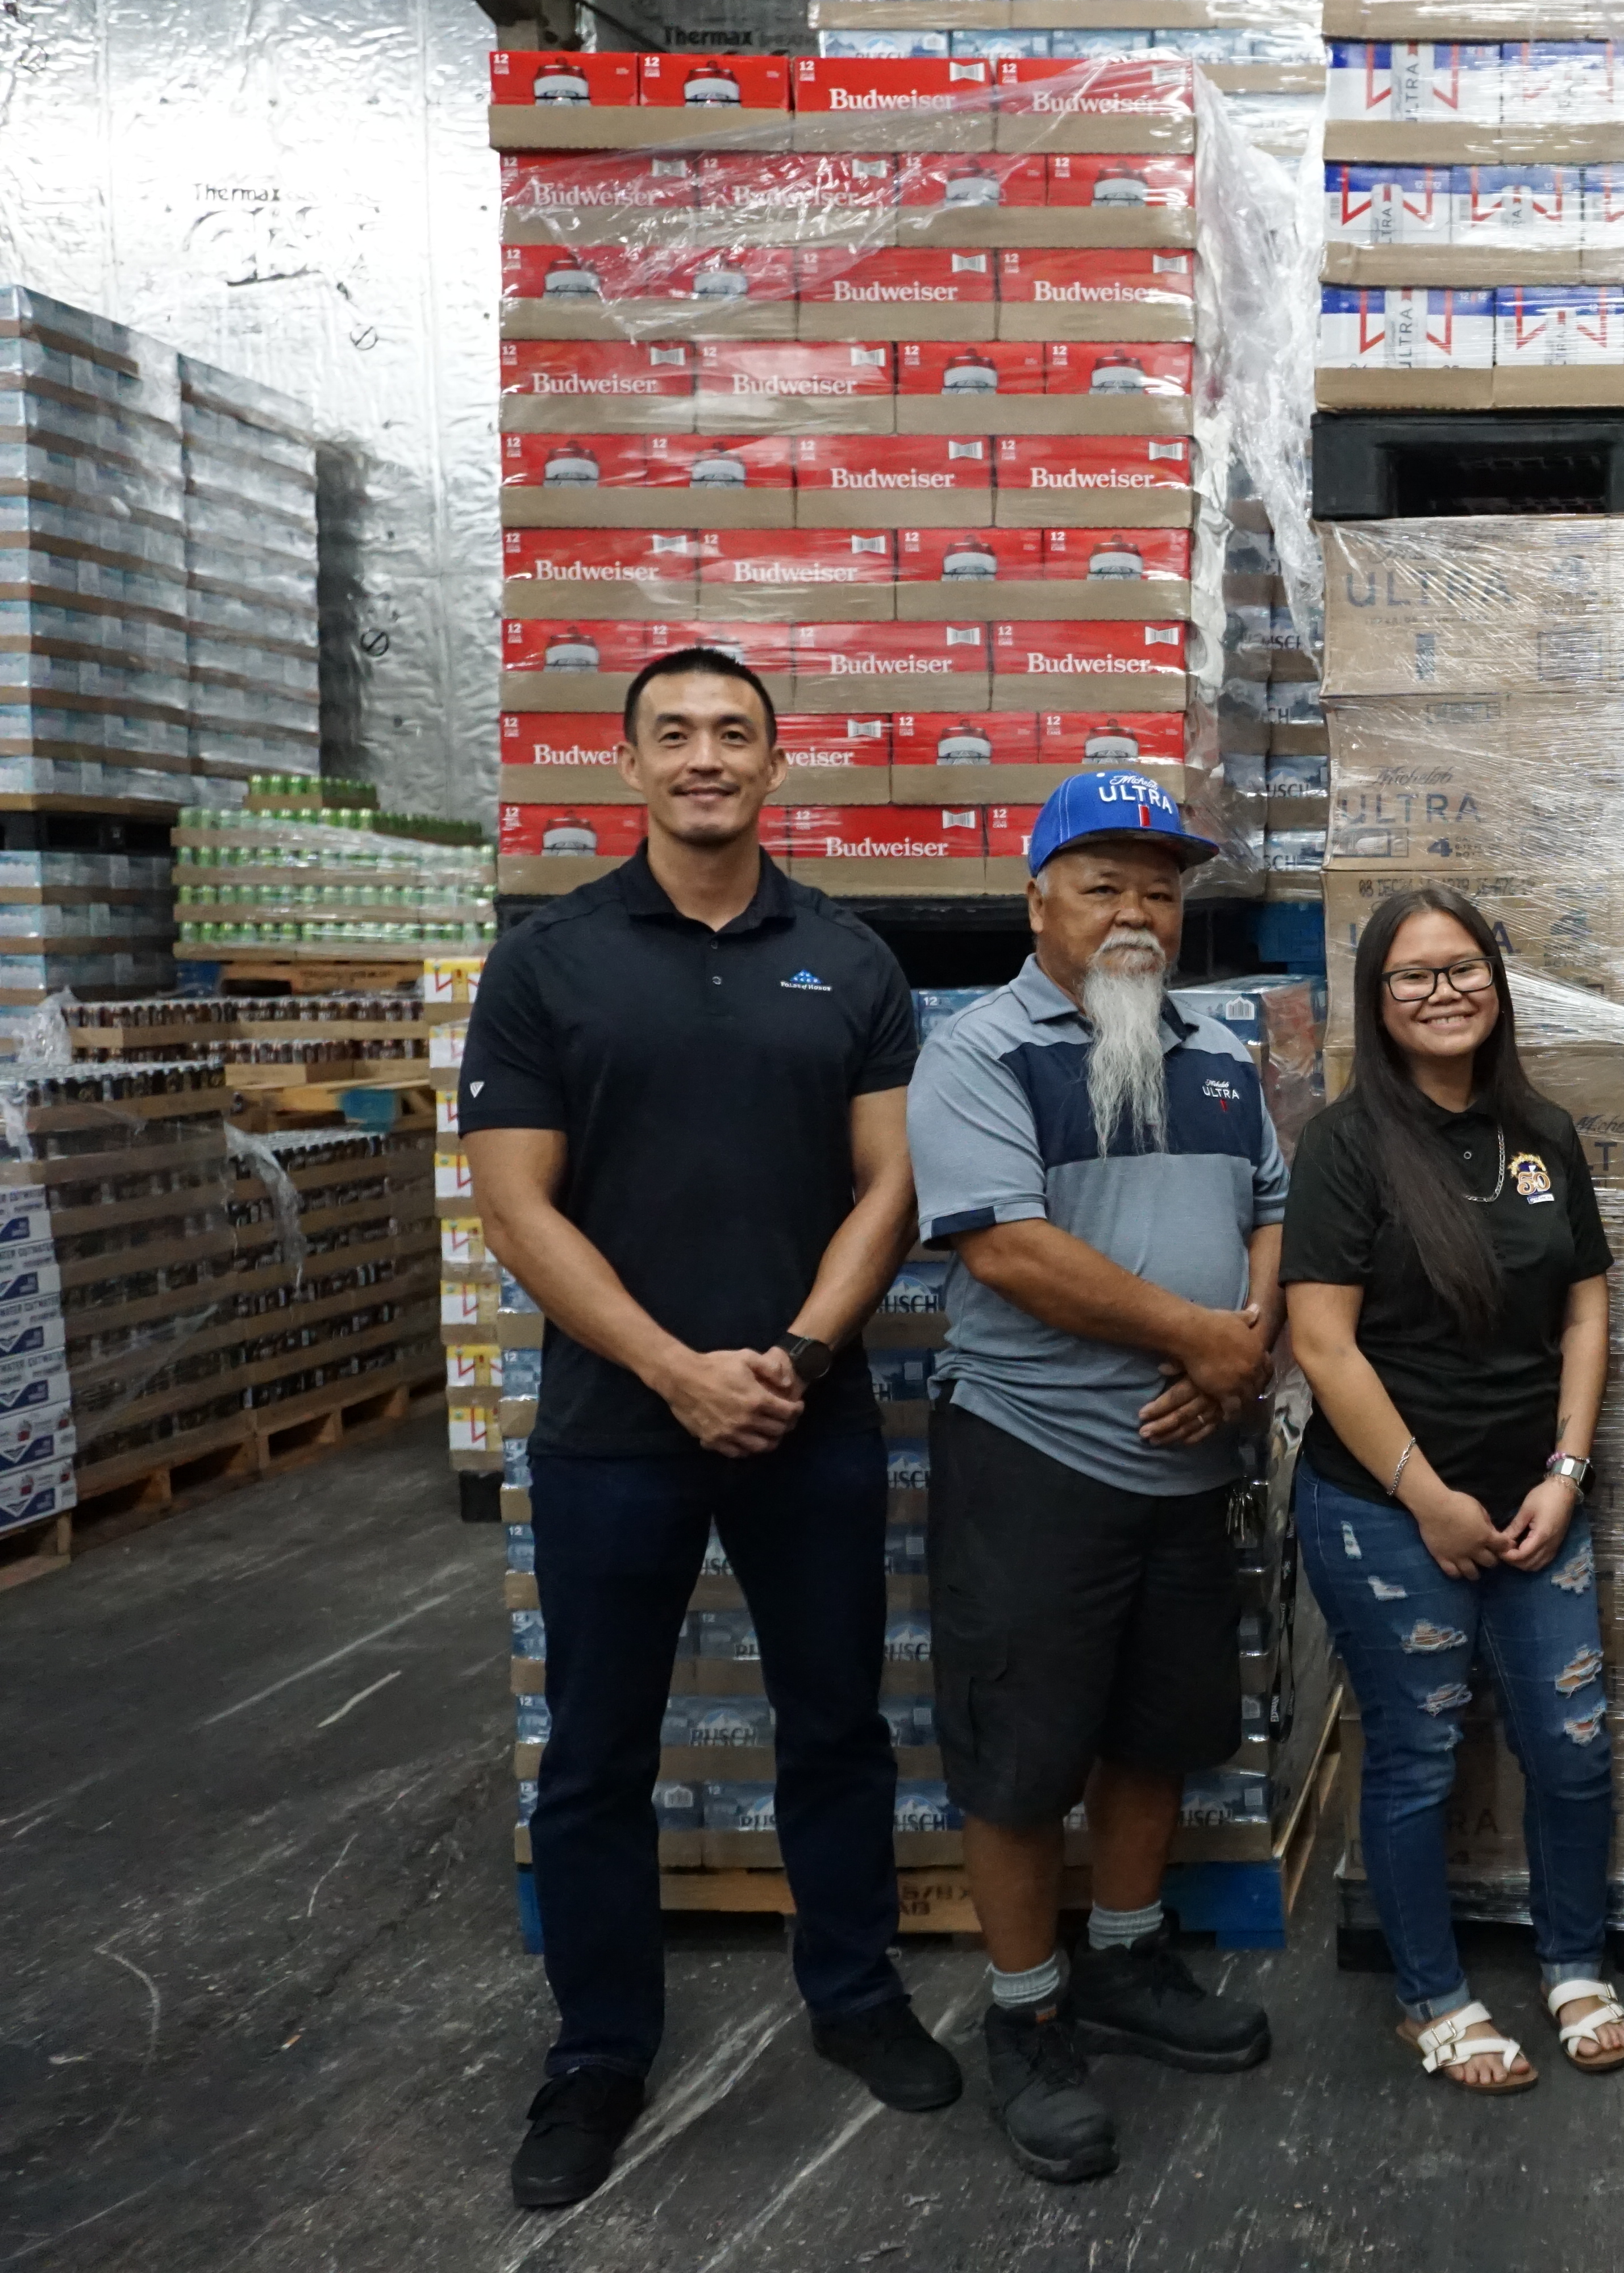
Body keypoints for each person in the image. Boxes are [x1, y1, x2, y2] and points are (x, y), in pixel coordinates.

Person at [465, 646, 955, 2212]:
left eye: (732, 733)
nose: (703, 757)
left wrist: (802, 1354)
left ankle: (856, 1994)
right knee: (597, 1755)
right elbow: (513, 1201)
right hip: (617, 1422)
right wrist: (677, 1369)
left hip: (806, 1417)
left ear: (773, 765)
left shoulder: (851, 960)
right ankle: (599, 2052)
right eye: (672, 733)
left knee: (835, 1725)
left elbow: (891, 1183)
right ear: (627, 764)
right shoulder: (549, 962)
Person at [905, 771, 1287, 2183]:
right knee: (1020, 1754)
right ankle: (1025, 2011)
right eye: (1105, 883)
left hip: (1190, 1460)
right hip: (1035, 1450)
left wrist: (1243, 1347)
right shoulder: (979, 1052)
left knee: (1153, 1729)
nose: (1138, 912)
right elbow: (1004, 1245)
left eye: (1162, 887)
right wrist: (1208, 1340)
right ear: (1038, 903)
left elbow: (1270, 1211)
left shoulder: (1218, 1041)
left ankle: (1127, 1957)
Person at [1283, 884, 1624, 2094]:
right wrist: (1425, 1493)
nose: (1444, 992)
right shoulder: (1343, 1146)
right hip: (1386, 1512)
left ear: (1498, 979)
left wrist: (1569, 1469)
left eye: (1464, 967)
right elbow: (1323, 1345)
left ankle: (1574, 1960)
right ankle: (1434, 1994)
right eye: (1414, 976)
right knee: (1417, 1757)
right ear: (1378, 1004)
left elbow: (1587, 1299)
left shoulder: (1541, 1132)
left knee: (1573, 1748)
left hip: (1538, 1500)